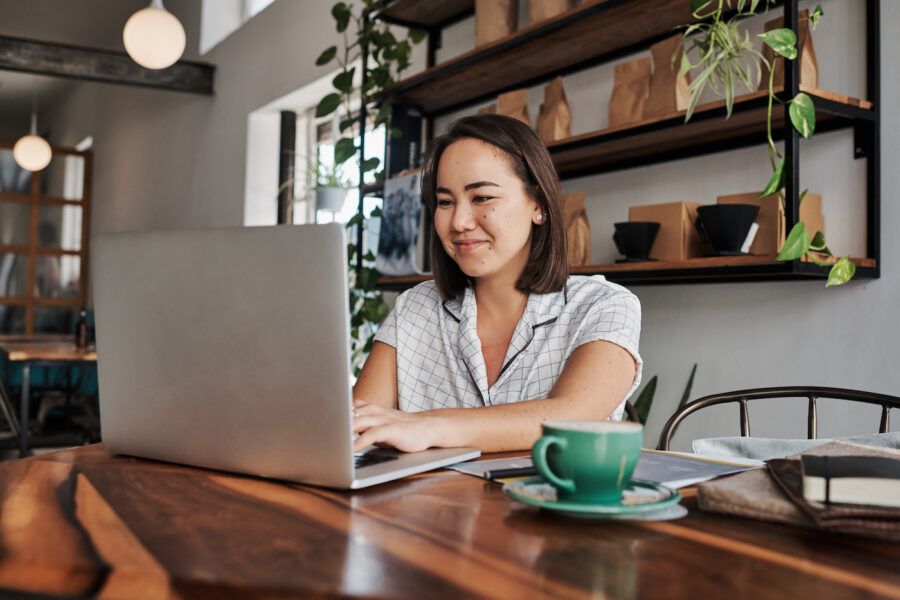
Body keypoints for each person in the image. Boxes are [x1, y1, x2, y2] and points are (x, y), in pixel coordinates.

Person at [352, 114, 642, 453]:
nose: (458, 222)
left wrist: (431, 426)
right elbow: (359, 427)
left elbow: (574, 418)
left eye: (482, 198)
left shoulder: (604, 305)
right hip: (430, 506)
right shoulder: (415, 307)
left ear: (538, 204)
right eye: (445, 202)